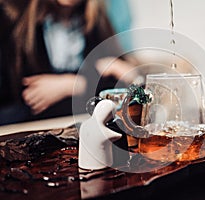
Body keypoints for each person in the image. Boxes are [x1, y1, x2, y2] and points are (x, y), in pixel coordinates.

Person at [0, 0, 136, 125]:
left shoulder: (95, 21)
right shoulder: (14, 16)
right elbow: (28, 95)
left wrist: (73, 84)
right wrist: (89, 82)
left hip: (77, 124)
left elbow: (118, 88)